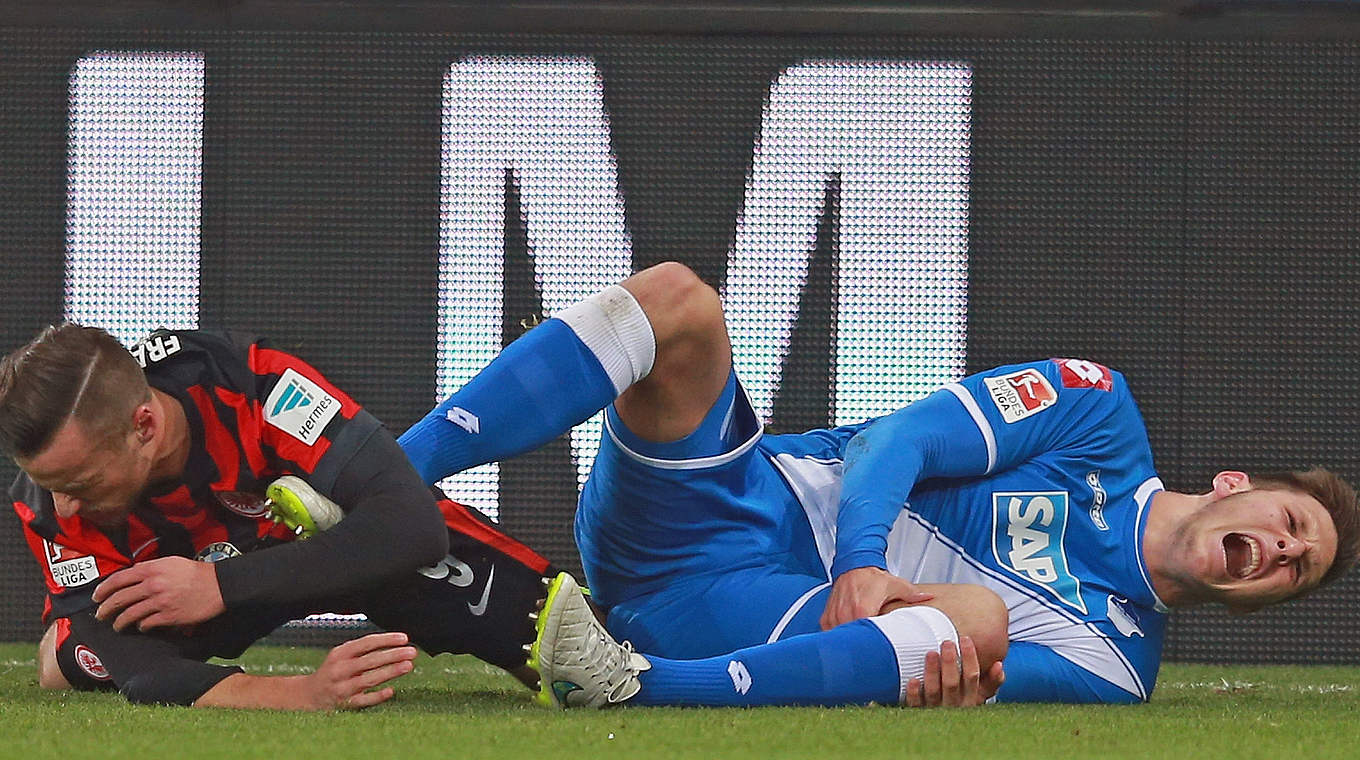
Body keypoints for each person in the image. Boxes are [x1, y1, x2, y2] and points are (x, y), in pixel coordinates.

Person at [396, 261, 1360, 708]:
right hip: (725, 501)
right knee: (681, 303)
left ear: (1260, 600)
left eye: (1295, 568)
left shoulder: (1117, 669)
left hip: (755, 625)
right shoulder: (1101, 413)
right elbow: (901, 438)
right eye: (1288, 524)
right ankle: (382, 479)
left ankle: (632, 687)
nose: (1280, 550)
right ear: (1233, 483)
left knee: (976, 625)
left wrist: (927, 665)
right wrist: (862, 557)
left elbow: (962, 681)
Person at [2, 324, 555, 709]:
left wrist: (221, 582)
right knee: (83, 656)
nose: (66, 506)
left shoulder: (257, 385)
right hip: (180, 590)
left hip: (322, 552)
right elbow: (123, 653)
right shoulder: (49, 496)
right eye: (53, 487)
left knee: (559, 646)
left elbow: (411, 524)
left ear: (144, 427)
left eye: (80, 485)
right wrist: (300, 693)